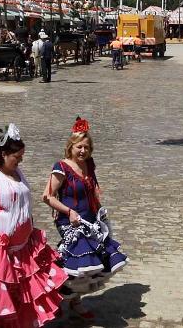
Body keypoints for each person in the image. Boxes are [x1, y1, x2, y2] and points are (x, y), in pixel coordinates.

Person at [0, 124, 66, 327]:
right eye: (17, 156)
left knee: (17, 304)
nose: (20, 160)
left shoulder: (17, 172)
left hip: (22, 251)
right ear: (3, 154)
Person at [41, 118, 128, 319]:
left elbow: (94, 186)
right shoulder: (62, 167)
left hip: (89, 220)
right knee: (78, 261)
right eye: (79, 147)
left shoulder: (89, 164)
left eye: (87, 148)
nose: (83, 151)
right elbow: (47, 196)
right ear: (71, 146)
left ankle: (74, 300)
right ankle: (55, 296)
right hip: (69, 221)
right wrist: (68, 211)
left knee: (88, 266)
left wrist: (99, 206)